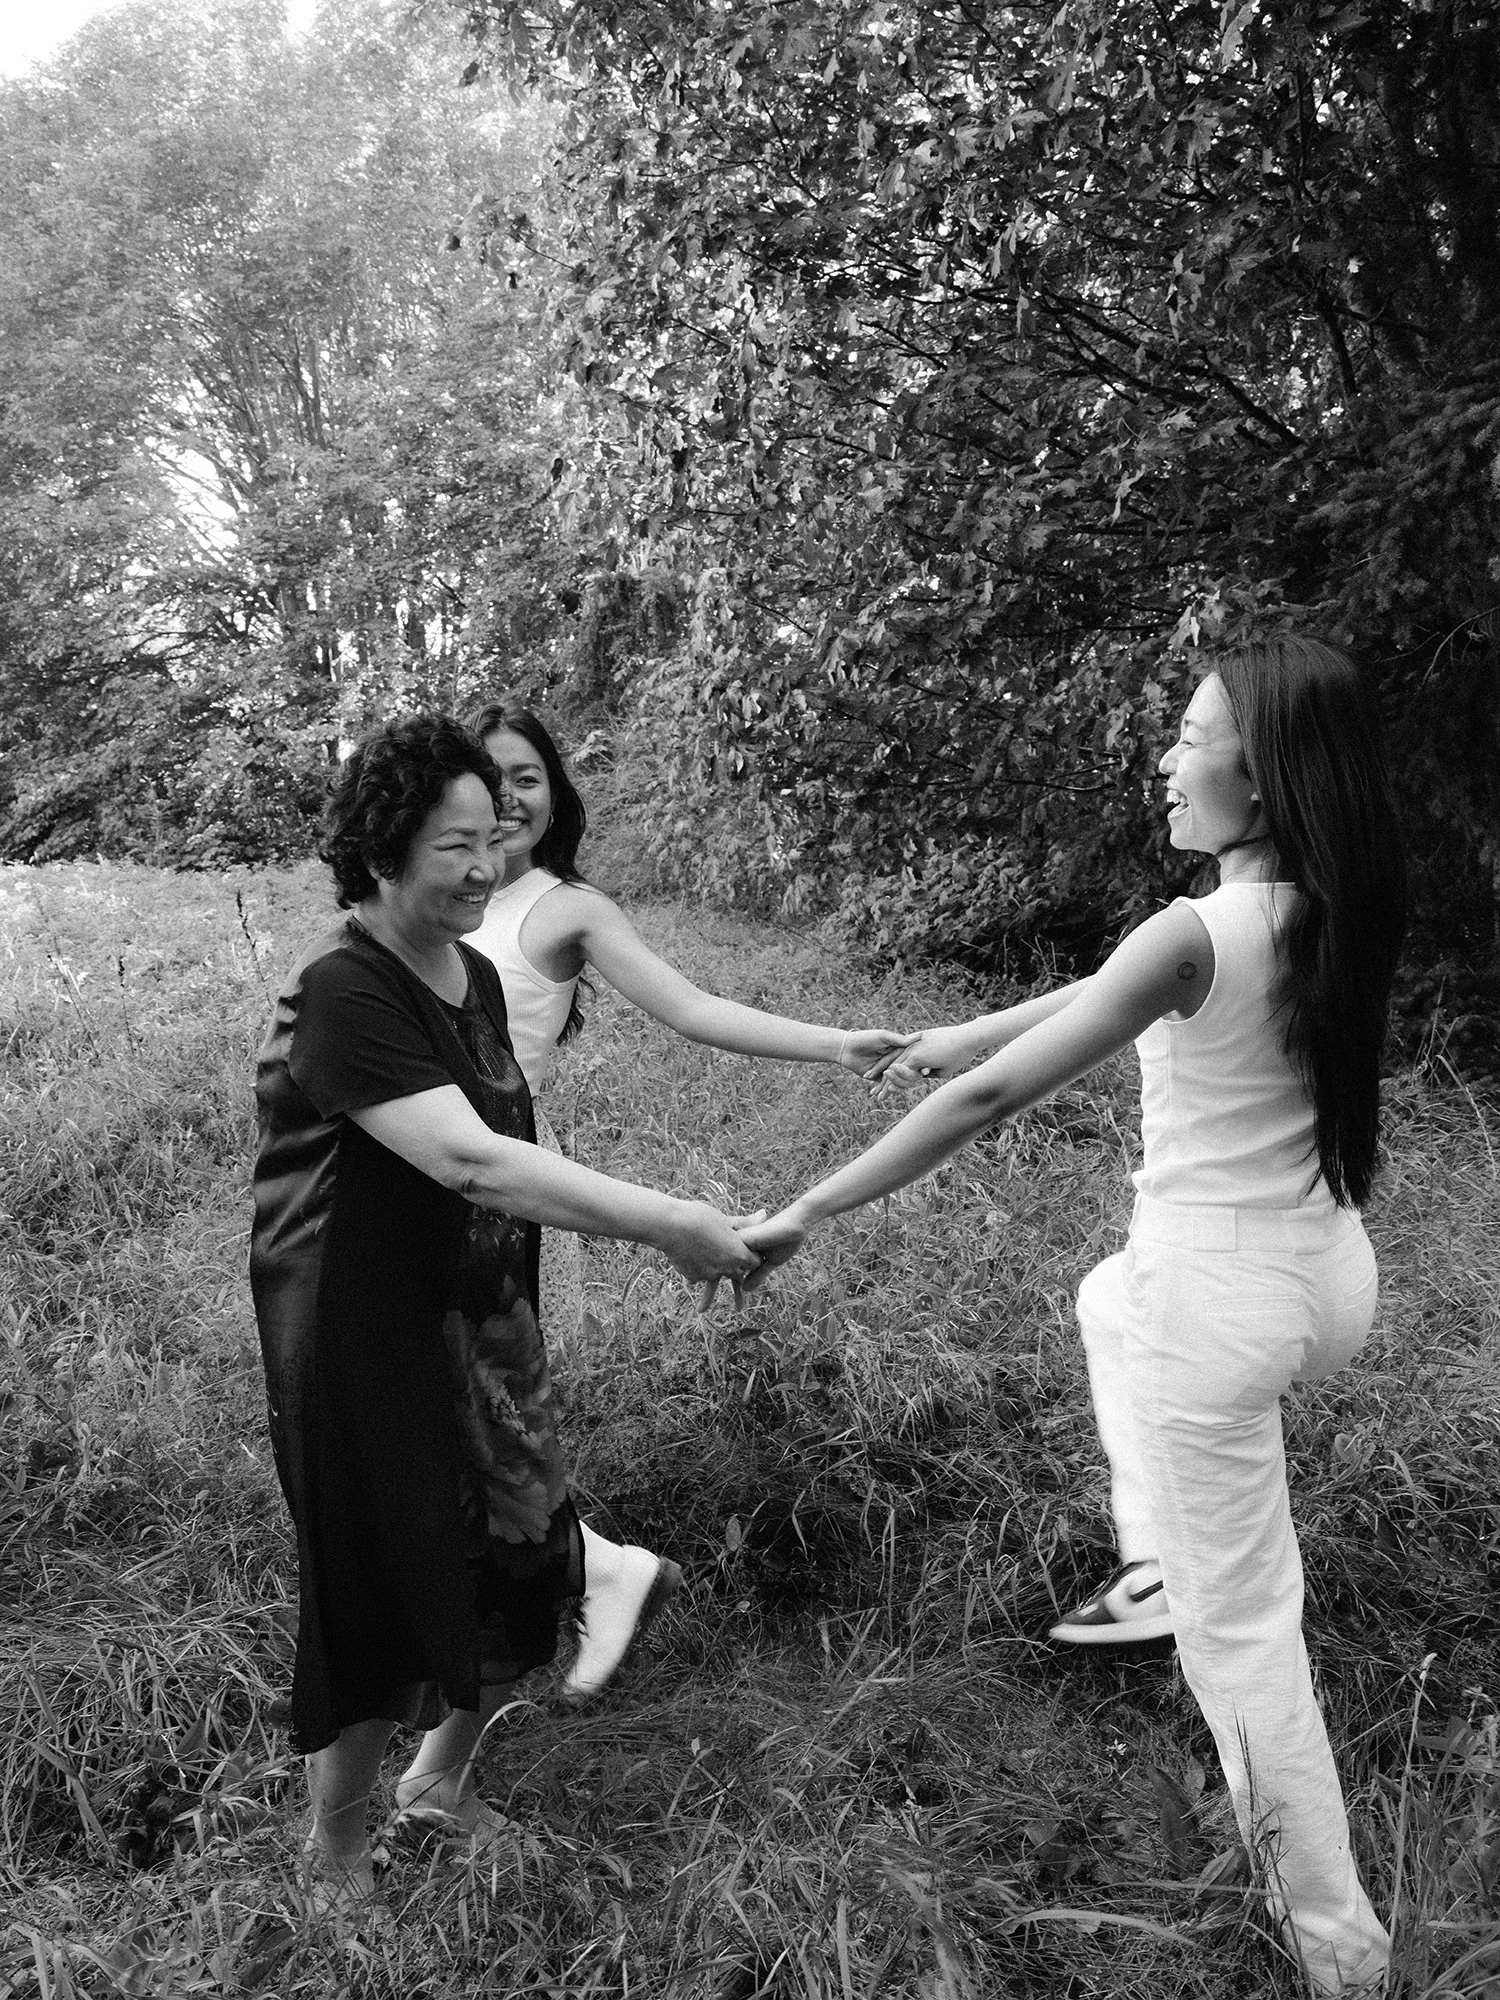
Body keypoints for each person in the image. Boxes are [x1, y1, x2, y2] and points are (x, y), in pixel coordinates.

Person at [733, 638, 1404, 1994]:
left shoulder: (1192, 935)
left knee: (1246, 1640)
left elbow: (997, 1097)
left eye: (1192, 737)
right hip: (1327, 1275)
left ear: (1266, 774)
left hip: (1215, 1303)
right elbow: (1119, 984)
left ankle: (1343, 1955)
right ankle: (1156, 1562)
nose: (1167, 759)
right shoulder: (1338, 901)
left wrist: (807, 1206)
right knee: (1105, 1299)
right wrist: (966, 1026)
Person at [249, 714, 759, 1926]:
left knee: (521, 1539)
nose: (485, 867)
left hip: (481, 1314)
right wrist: (668, 1221)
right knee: (381, 1580)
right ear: (381, 849)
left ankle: (437, 1781)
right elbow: (470, 1159)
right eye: (453, 846)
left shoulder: (471, 973)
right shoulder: (343, 990)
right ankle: (334, 1853)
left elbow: (507, 1159)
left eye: (493, 838)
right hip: (362, 1336)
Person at [463, 696, 914, 1699]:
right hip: (413, 1164)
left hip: (501, 1182)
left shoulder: (564, 908)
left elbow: (693, 1007)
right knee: (449, 1415)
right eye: (488, 778)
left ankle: (574, 1585)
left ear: (555, 794)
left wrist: (838, 1044)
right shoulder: (433, 887)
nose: (508, 798)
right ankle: (587, 1575)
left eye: (527, 777)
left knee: (477, 1412)